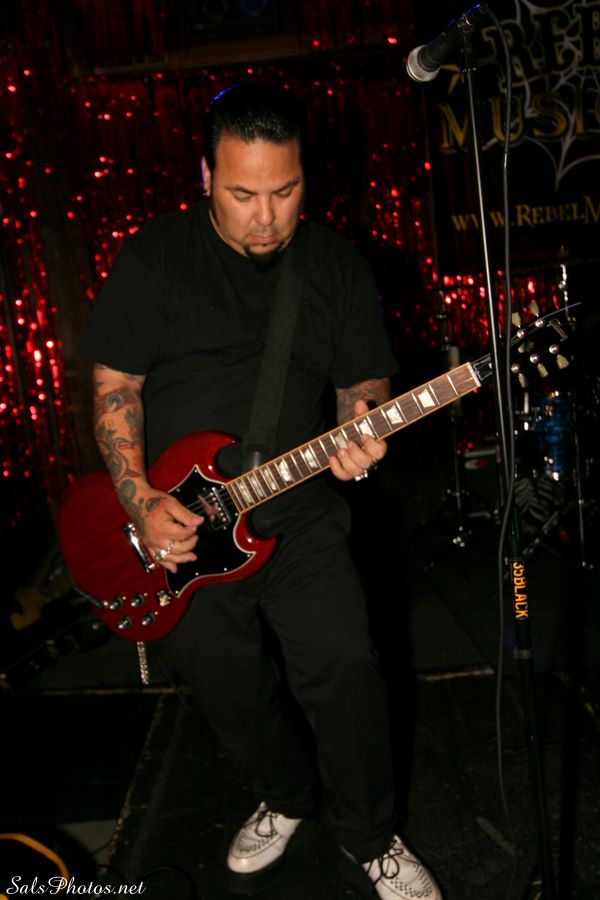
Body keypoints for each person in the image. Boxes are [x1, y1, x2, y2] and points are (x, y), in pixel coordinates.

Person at [79, 82, 442, 900]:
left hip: (298, 511)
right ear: (206, 175)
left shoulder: (335, 266)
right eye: (243, 195)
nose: (266, 218)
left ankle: (371, 835)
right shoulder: (156, 257)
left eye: (285, 191)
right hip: (181, 524)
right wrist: (140, 501)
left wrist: (361, 430)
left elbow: (362, 383)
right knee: (225, 687)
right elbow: (115, 386)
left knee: (346, 670)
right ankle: (286, 795)